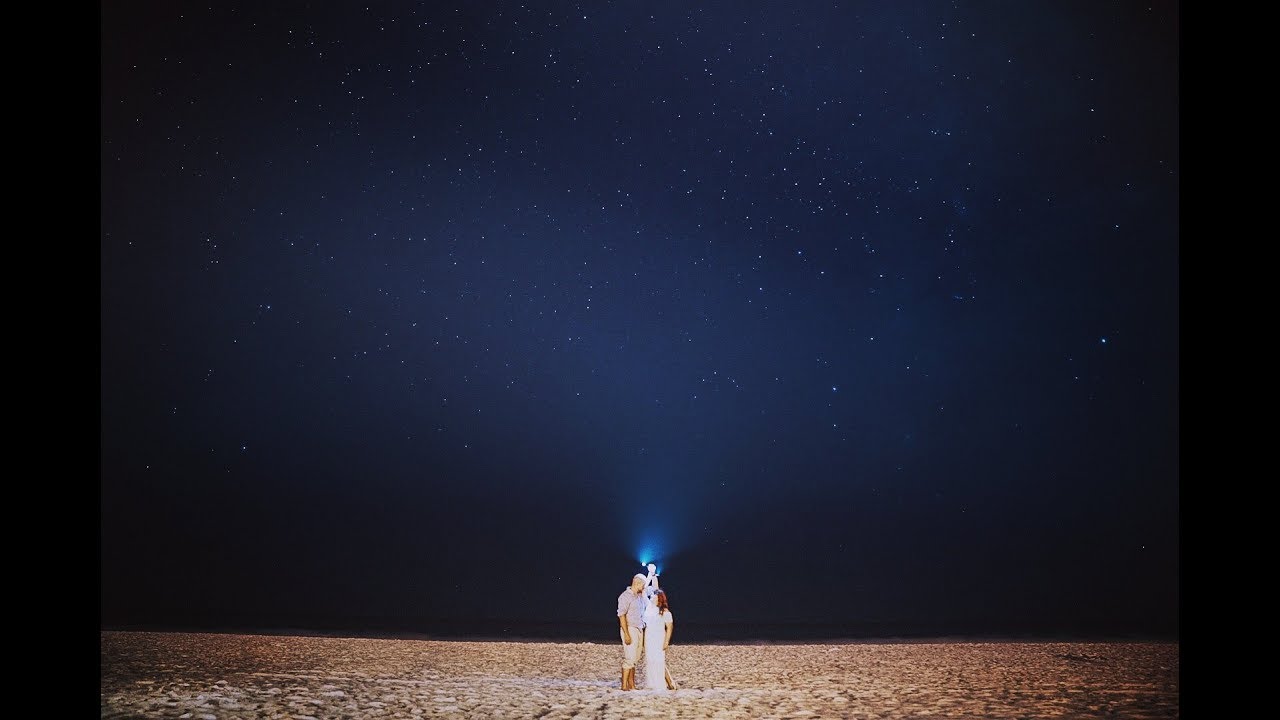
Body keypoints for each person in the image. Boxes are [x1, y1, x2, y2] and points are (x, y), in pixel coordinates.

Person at [616, 572, 649, 690]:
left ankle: (632, 685)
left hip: (639, 628)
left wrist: (652, 575)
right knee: (629, 658)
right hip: (630, 628)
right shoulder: (625, 596)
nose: (644, 587)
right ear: (637, 583)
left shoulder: (639, 596)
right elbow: (621, 615)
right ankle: (624, 686)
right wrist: (626, 634)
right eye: (643, 585)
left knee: (635, 658)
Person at [642, 587, 677, 690]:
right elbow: (644, 593)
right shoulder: (649, 608)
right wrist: (650, 574)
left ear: (659, 598)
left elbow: (669, 627)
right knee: (650, 660)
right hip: (649, 637)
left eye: (654, 595)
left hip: (659, 638)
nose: (652, 597)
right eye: (652, 595)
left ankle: (665, 683)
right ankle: (652, 683)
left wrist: (666, 641)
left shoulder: (664, 612)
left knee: (659, 661)